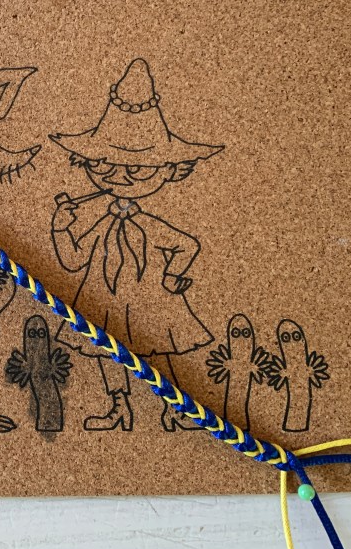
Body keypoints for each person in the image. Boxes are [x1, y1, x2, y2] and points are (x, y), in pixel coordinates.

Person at [49, 58, 223, 432]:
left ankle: (177, 410)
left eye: (138, 169)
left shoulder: (149, 226)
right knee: (106, 351)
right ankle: (119, 406)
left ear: (170, 170)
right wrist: (62, 229)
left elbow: (186, 245)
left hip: (152, 297)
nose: (120, 178)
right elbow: (75, 260)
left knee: (165, 349)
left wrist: (171, 276)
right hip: (105, 297)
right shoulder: (100, 223)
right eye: (104, 166)